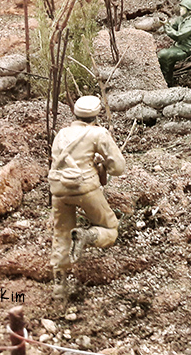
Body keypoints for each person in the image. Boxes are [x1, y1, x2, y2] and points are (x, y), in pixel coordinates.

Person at [49, 96, 126, 300]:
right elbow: (118, 168)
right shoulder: (98, 133)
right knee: (110, 228)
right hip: (85, 189)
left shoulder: (61, 134)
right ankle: (87, 236)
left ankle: (59, 287)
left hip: (58, 189)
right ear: (96, 114)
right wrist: (102, 166)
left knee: (61, 236)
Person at [157, 0, 191, 87]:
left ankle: (167, 81)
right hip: (179, 46)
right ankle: (165, 78)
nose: (180, 10)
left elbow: (178, 36)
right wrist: (166, 23)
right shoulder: (180, 19)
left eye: (183, 9)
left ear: (189, 11)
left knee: (163, 54)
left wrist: (166, 26)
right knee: (165, 56)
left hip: (187, 48)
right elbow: (173, 27)